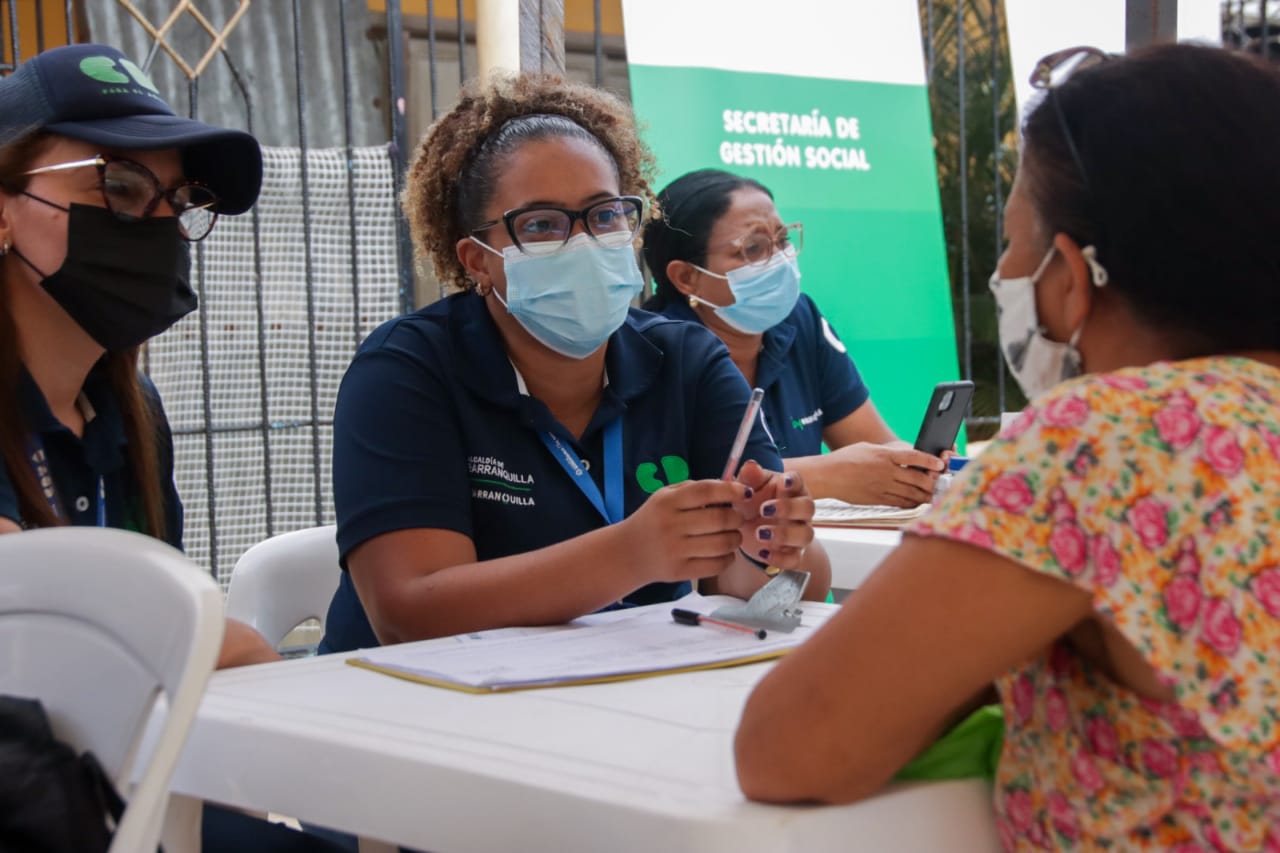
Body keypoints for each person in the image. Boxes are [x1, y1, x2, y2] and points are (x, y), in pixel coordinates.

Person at [734, 43, 1280, 850]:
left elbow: (789, 747)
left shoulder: (1107, 439)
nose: (1003, 269)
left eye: (1013, 240)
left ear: (1068, 275)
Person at [321, 75, 829, 654]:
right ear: (477, 261)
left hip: (620, 697)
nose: (584, 241)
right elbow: (409, 614)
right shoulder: (408, 369)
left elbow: (782, 600)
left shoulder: (687, 360)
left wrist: (770, 553)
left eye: (605, 215)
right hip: (419, 710)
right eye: (541, 225)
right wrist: (632, 553)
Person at [0, 44, 346, 852]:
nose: (158, 224)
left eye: (178, 198)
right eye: (118, 185)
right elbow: (48, 624)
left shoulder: (129, 411)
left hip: (110, 792)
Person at [642, 169, 947, 509]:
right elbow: (683, 488)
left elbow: (876, 442)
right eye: (754, 248)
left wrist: (918, 468)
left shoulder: (799, 321)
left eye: (783, 240)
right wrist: (827, 475)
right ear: (687, 278)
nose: (779, 260)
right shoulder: (652, 351)